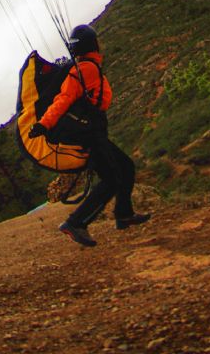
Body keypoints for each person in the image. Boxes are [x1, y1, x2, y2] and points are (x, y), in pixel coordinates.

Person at [29, 23, 150, 247]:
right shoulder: (83, 69)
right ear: (92, 44)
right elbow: (63, 99)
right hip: (89, 134)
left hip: (95, 131)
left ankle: (124, 214)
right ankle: (76, 223)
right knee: (112, 179)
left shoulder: (89, 67)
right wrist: (44, 123)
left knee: (126, 167)